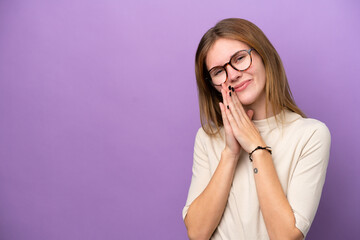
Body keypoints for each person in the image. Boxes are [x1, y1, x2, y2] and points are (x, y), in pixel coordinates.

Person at [182, 18, 331, 240]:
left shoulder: (310, 135)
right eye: (218, 71)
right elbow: (196, 232)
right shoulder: (208, 138)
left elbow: (285, 236)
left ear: (264, 55)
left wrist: (257, 147)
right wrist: (230, 154)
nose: (232, 74)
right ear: (211, 85)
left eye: (240, 58)